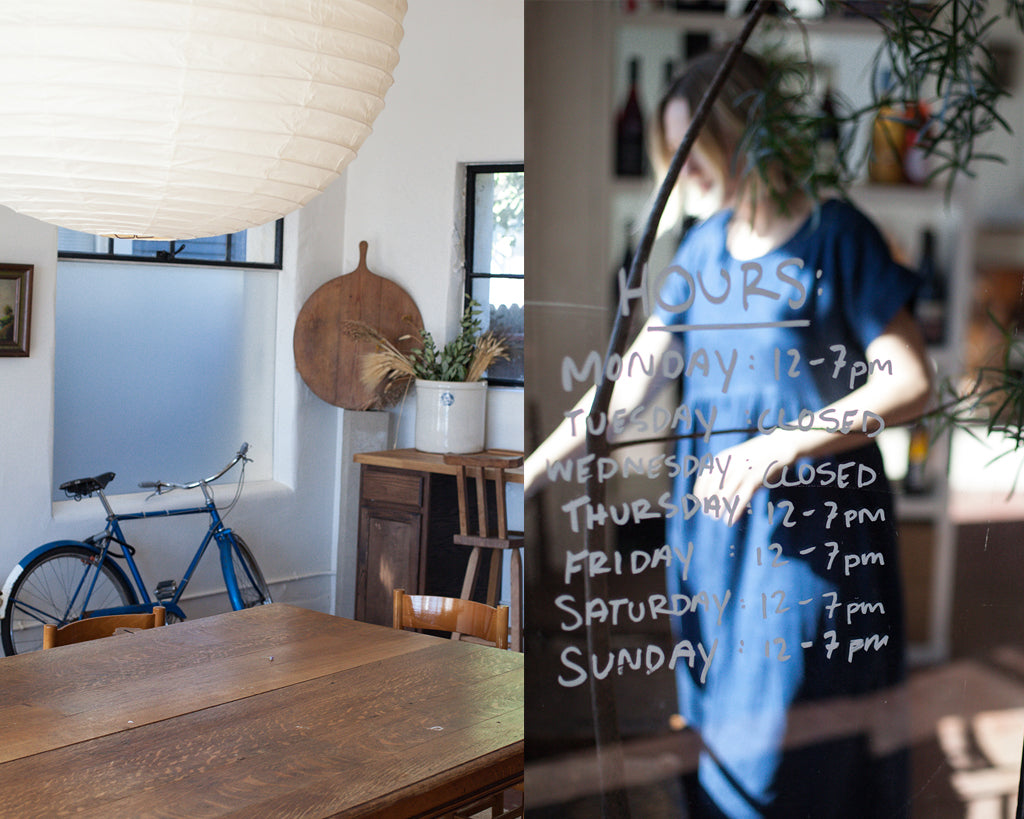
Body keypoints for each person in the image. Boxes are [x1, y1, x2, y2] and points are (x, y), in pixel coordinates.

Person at [526, 48, 932, 818]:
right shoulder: (699, 251)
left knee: (791, 745)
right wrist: (533, 468)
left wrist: (775, 445)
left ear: (746, 133)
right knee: (713, 727)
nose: (686, 173)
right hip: (712, 538)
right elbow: (628, 384)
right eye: (671, 154)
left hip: (810, 541)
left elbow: (910, 381)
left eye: (696, 149)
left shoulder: (837, 237)